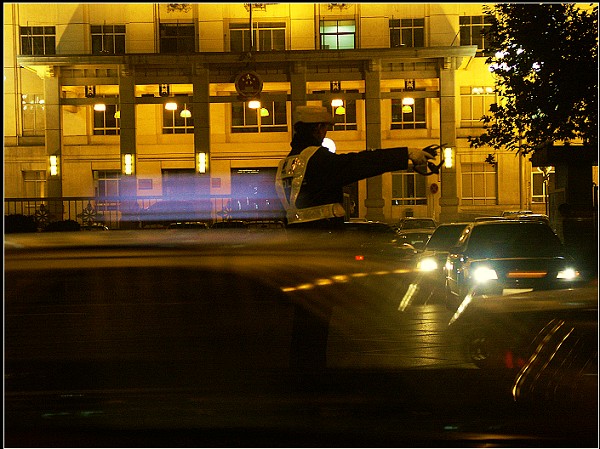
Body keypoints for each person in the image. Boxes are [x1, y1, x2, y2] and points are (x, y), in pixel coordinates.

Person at [276, 105, 439, 229]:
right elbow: (361, 162)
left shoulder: (286, 163)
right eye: (325, 128)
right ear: (317, 128)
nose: (326, 133)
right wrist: (406, 154)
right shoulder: (316, 159)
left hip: (296, 237)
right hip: (323, 236)